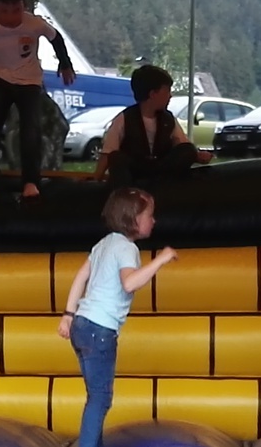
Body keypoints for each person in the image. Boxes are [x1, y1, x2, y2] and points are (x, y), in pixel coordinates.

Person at [57, 188, 178, 447]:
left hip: (82, 325)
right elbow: (130, 283)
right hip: (99, 329)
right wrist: (161, 260)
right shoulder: (126, 248)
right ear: (134, 219)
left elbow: (81, 276)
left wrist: (68, 314)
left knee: (95, 397)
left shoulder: (104, 244)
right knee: (100, 399)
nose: (153, 220)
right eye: (149, 215)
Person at [0, 0, 76, 199]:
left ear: (23, 6)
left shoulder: (34, 23)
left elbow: (56, 38)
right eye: (5, 11)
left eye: (16, 10)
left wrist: (65, 64)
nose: (11, 17)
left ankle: (31, 182)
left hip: (29, 81)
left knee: (31, 130)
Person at [93, 65, 212, 187]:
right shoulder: (124, 118)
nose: (170, 96)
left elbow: (182, 145)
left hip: (161, 168)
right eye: (167, 91)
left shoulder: (168, 119)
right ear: (153, 94)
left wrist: (197, 156)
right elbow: (108, 152)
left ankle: (159, 185)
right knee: (116, 157)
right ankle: (130, 192)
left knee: (188, 149)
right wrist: (96, 178)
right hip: (136, 170)